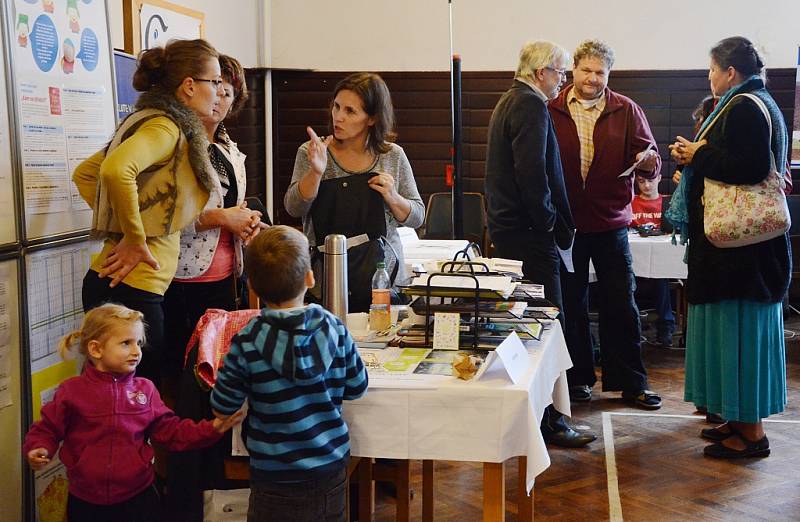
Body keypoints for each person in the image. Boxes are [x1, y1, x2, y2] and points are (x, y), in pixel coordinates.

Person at [72, 39, 223, 386]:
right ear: (189, 86)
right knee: (138, 402)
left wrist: (124, 225)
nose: (219, 90)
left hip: (119, 286)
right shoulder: (165, 127)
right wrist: (133, 237)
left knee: (127, 400)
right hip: (132, 292)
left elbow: (86, 174)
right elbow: (114, 170)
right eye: (214, 82)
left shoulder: (153, 120)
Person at [667, 36, 789, 458]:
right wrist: (698, 157)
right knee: (732, 334)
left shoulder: (743, 107)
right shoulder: (753, 101)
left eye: (712, 70)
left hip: (741, 253)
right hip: (739, 251)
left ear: (730, 72)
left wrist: (696, 157)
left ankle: (751, 435)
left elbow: (749, 167)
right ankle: (736, 419)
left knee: (739, 336)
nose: (709, 77)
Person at [22, 303, 242, 522]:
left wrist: (211, 428)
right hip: (86, 501)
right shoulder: (71, 391)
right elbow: (47, 428)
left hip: (138, 498)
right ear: (96, 349)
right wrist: (39, 447)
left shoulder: (145, 389)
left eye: (138, 343)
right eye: (126, 343)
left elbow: (170, 431)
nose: (136, 351)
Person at [210, 225, 368, 521]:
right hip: (328, 466)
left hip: (272, 473)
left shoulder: (247, 341)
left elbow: (223, 405)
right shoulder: (334, 327)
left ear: (253, 286)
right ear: (310, 278)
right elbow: (357, 386)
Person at [485, 41, 595, 448]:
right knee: (548, 325)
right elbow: (532, 173)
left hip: (514, 232)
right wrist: (549, 223)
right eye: (561, 72)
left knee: (532, 324)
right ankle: (551, 420)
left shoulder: (509, 101)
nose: (564, 80)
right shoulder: (529, 105)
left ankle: (542, 416)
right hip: (531, 235)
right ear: (540, 72)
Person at [549, 39, 662, 409]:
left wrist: (648, 163)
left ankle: (631, 382)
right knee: (571, 303)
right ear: (573, 70)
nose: (592, 78)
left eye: (600, 72)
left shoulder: (626, 110)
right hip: (567, 226)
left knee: (621, 303)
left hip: (612, 224)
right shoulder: (551, 109)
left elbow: (652, 159)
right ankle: (576, 378)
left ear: (608, 75)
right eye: (586, 70)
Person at [162, 54, 263, 382]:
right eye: (216, 87)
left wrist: (245, 220)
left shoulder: (228, 147)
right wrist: (222, 218)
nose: (219, 97)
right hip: (183, 276)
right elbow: (163, 215)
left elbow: (234, 204)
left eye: (228, 93)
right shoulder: (177, 144)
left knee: (220, 367)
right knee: (186, 369)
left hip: (227, 274)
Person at [284, 72, 425, 299]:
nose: (338, 117)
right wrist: (316, 172)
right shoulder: (312, 151)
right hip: (325, 280)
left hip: (383, 281)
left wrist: (393, 196)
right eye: (336, 107)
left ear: (372, 118)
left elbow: (417, 216)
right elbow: (293, 208)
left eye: (350, 111)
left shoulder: (392, 155)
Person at [630, 172, 676, 347]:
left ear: (659, 178)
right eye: (642, 181)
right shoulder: (631, 202)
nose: (647, 186)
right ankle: (632, 324)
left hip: (660, 261)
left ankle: (666, 325)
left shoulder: (669, 202)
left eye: (650, 180)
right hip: (635, 260)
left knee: (660, 273)